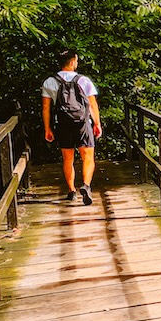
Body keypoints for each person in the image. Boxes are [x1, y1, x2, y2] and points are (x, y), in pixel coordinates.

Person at [41, 50, 102, 205]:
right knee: (87, 157)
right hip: (83, 123)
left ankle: (71, 191)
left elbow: (46, 108)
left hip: (63, 124)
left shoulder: (50, 82)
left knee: (68, 159)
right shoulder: (84, 80)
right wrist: (97, 124)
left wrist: (47, 128)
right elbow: (92, 104)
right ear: (74, 60)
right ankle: (86, 186)